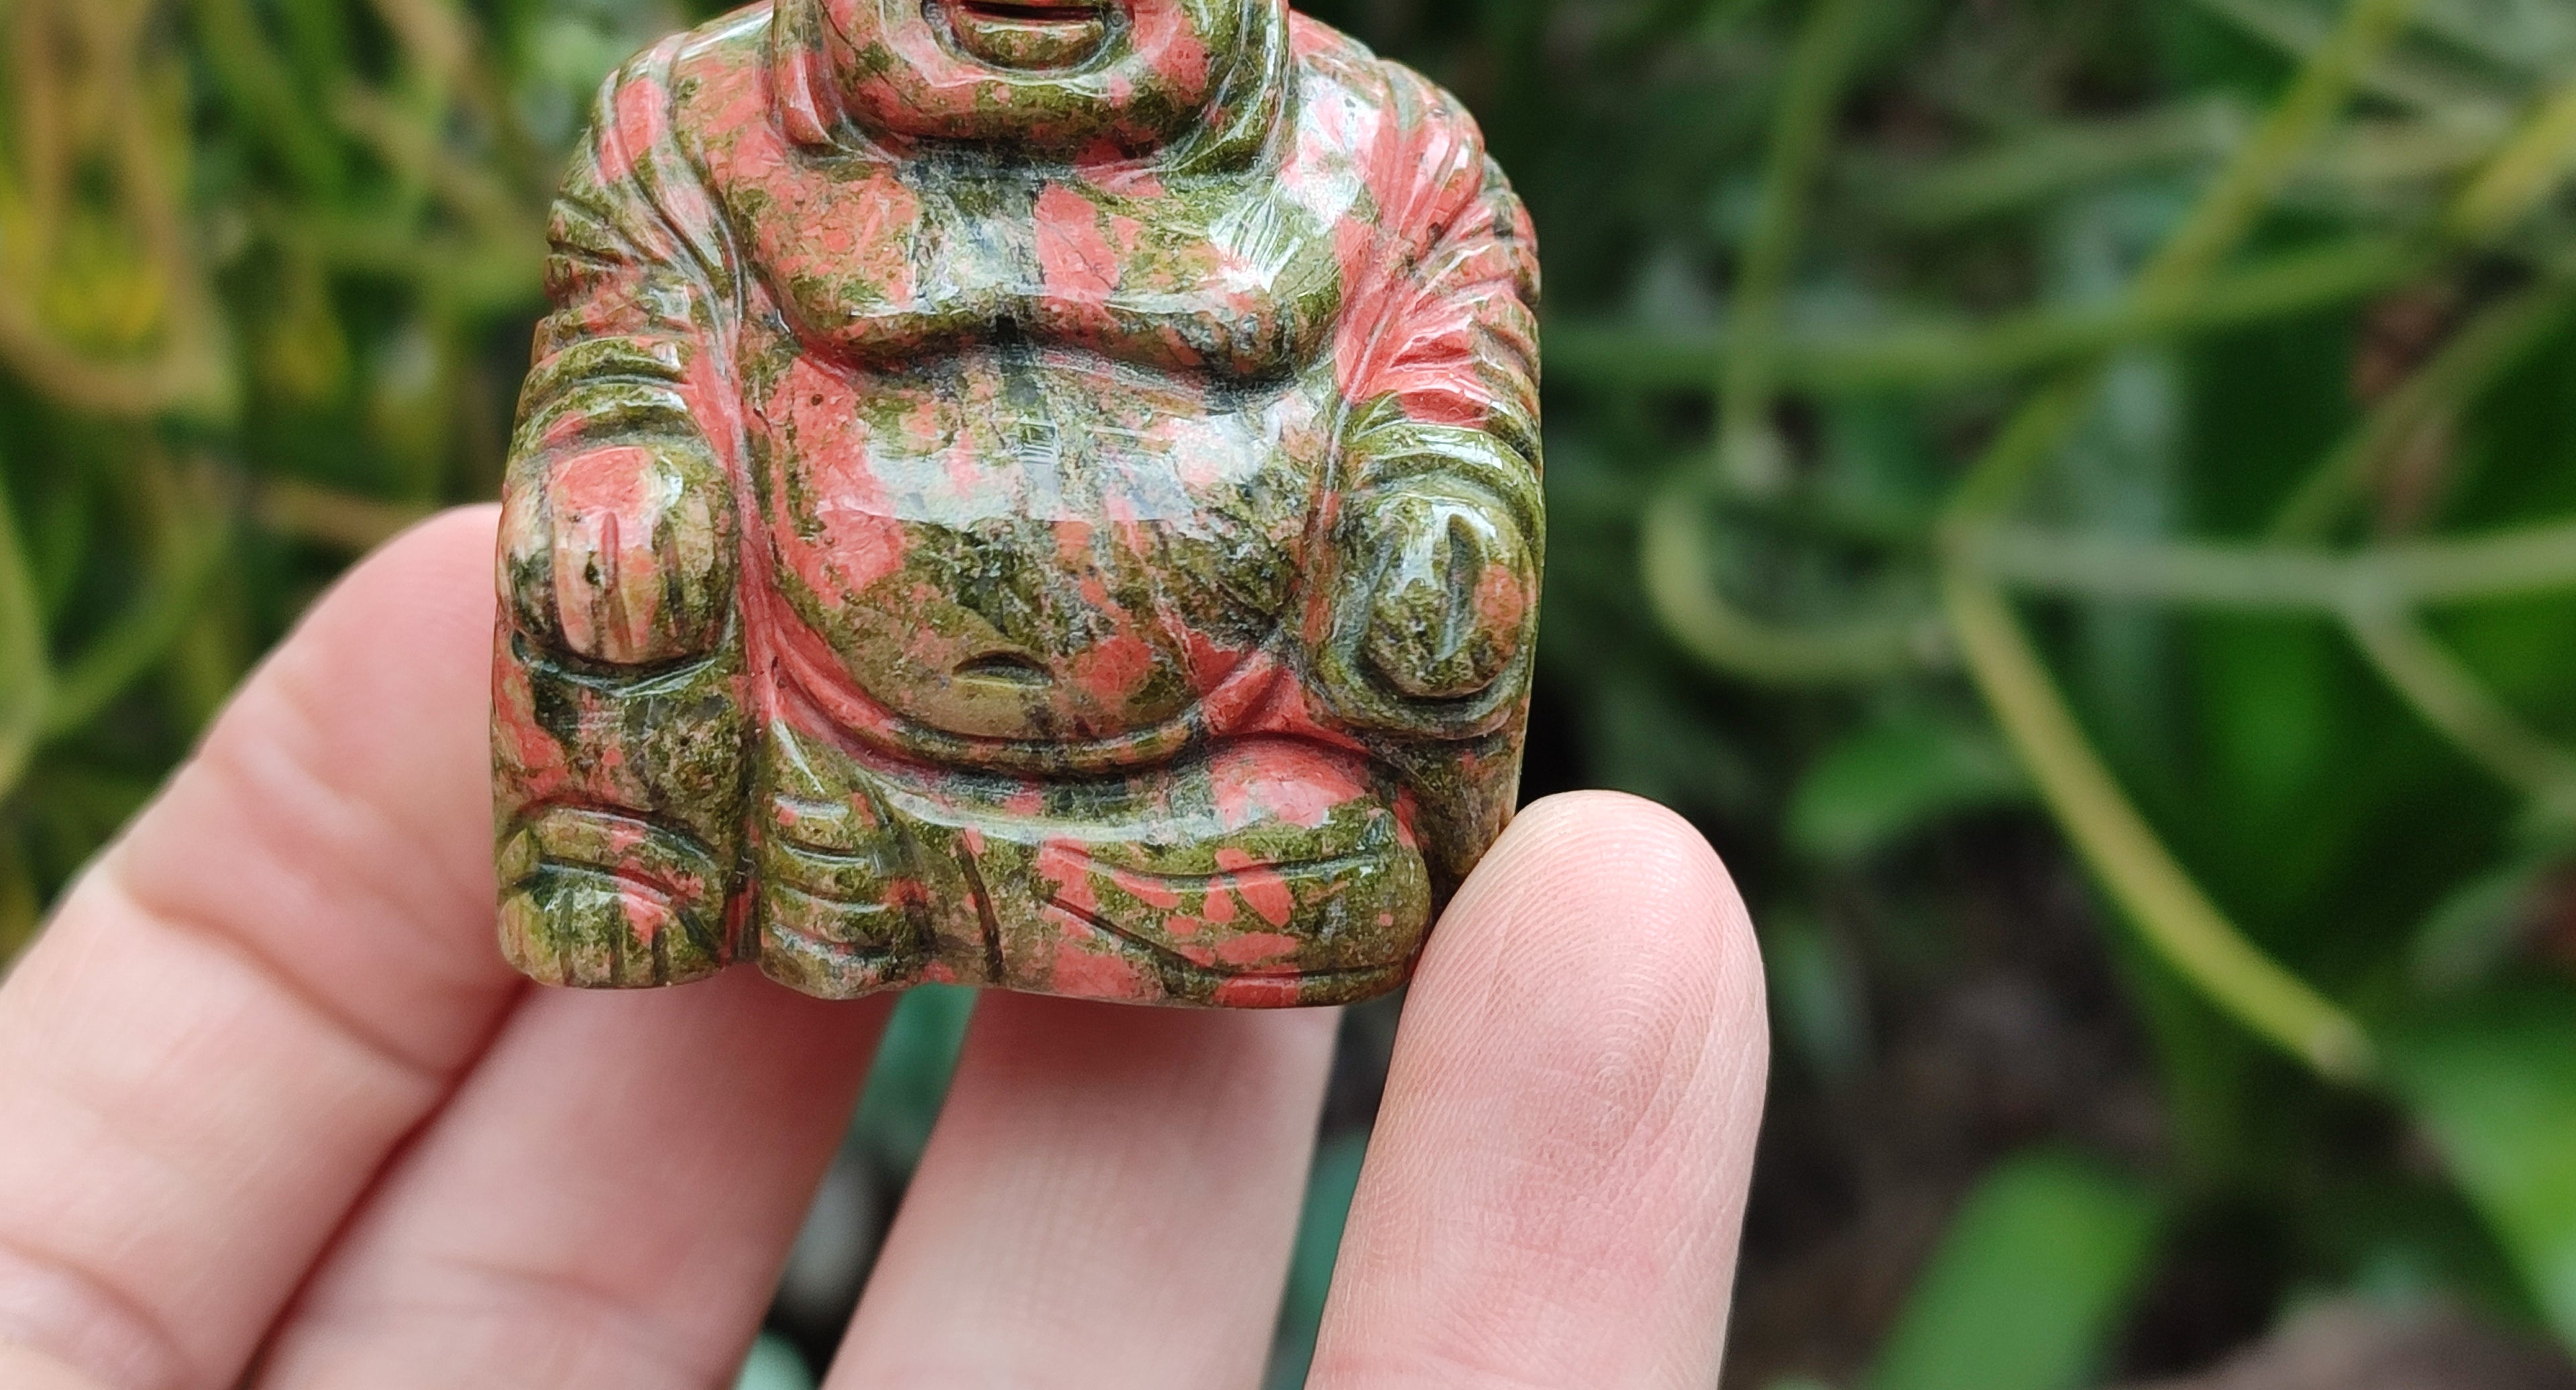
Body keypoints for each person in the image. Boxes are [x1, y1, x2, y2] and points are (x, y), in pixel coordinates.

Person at [0, 508, 1766, 1387]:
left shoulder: (1375, 159)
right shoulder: (703, 125)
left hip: (1214, 769)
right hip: (804, 749)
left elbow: (1438, 436)